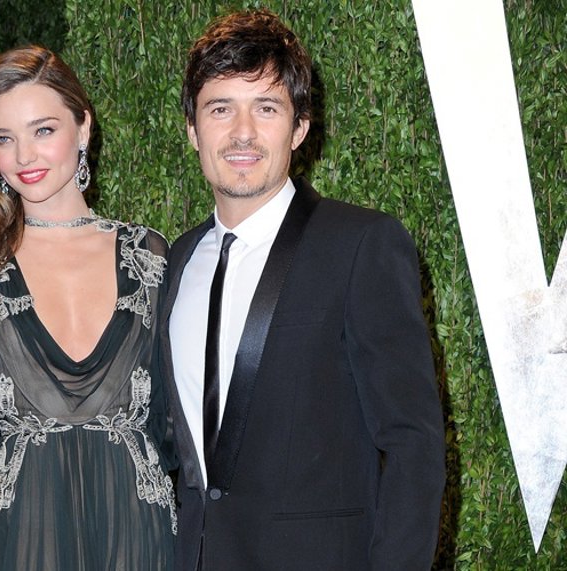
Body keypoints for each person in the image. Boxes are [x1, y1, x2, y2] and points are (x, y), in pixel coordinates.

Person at [161, 9, 445, 570]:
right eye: (221, 108)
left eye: (266, 108)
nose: (243, 132)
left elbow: (413, 443)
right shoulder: (177, 260)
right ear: (193, 129)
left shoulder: (361, 245)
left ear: (299, 127)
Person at [0, 45, 176, 571]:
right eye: (3, 139)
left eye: (43, 130)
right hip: (23, 547)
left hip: (141, 544)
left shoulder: (149, 256)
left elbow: (180, 428)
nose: (24, 157)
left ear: (83, 127)